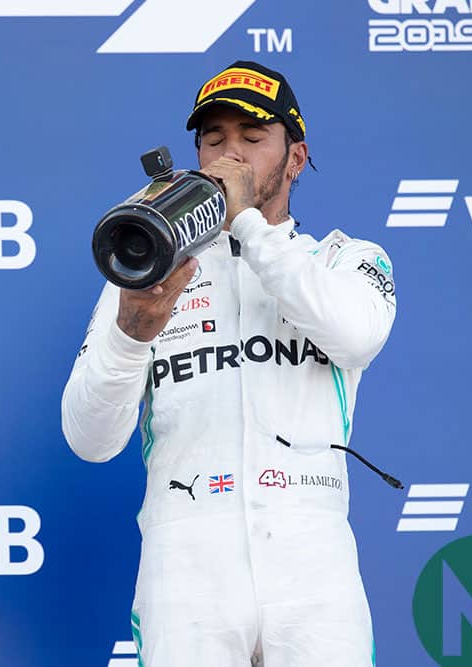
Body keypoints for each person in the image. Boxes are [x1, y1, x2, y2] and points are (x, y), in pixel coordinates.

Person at [61, 61, 396, 666]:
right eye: (213, 139)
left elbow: (357, 334)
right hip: (186, 557)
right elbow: (89, 439)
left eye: (251, 137)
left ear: (296, 157)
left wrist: (244, 223)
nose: (230, 156)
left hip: (312, 561)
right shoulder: (147, 274)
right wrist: (131, 334)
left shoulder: (344, 260)